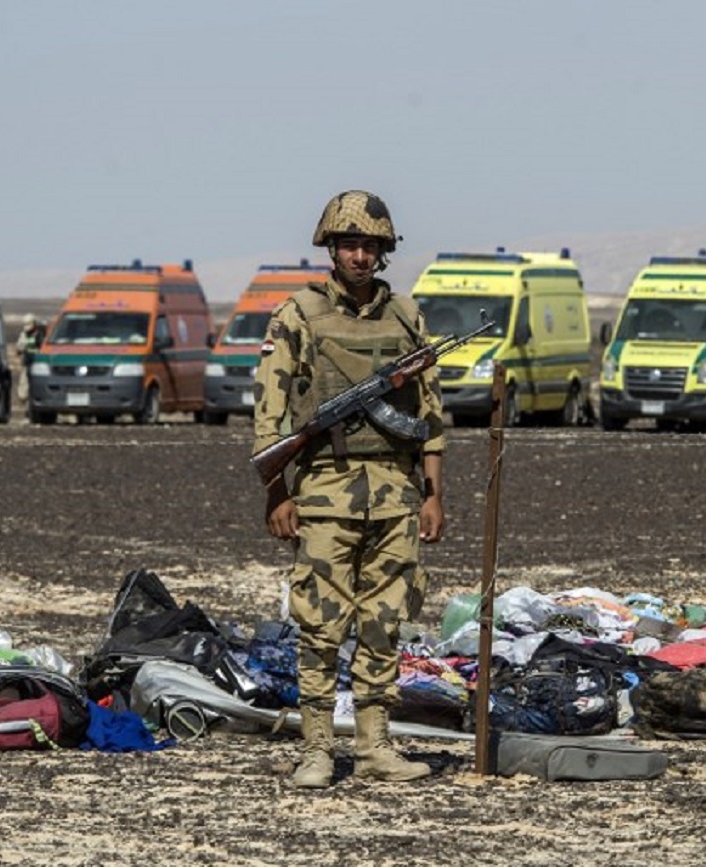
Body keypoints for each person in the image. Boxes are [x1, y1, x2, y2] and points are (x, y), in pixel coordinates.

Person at [252, 190, 446, 789]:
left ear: (383, 251)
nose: (359, 256)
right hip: (325, 495)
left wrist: (434, 494)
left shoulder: (408, 317)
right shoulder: (298, 316)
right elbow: (270, 413)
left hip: (395, 495)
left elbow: (430, 417)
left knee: (386, 620)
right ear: (331, 249)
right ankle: (316, 750)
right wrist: (276, 494)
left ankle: (374, 747)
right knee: (320, 625)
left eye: (370, 246)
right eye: (349, 245)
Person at [15, 314, 44, 407]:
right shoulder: (24, 335)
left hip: (38, 366)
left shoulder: (40, 335)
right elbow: (19, 347)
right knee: (23, 392)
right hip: (27, 364)